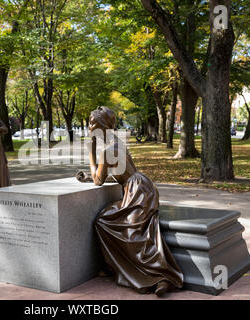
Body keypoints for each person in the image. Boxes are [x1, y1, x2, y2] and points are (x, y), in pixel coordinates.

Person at [77, 106, 183, 297]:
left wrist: (91, 151)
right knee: (108, 223)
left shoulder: (107, 149)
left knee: (128, 231)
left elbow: (98, 180)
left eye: (92, 123)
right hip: (140, 187)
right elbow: (119, 173)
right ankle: (118, 268)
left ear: (101, 126)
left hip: (137, 193)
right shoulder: (115, 142)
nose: (89, 126)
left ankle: (160, 277)